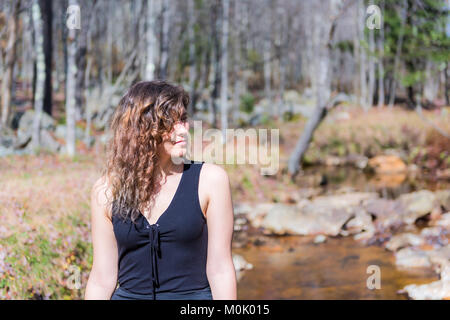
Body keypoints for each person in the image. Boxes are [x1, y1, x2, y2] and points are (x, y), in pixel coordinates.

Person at [84, 80, 237, 300]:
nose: (183, 130)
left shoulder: (210, 180)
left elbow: (221, 269)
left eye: (183, 119)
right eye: (170, 122)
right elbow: (101, 278)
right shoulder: (106, 190)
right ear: (142, 129)